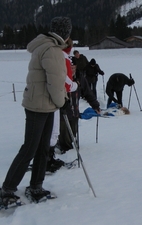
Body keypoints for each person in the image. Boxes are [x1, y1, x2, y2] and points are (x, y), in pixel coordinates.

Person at [0, 16, 72, 206]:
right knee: (30, 149)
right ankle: (6, 190)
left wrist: (58, 101)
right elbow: (55, 83)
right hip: (40, 106)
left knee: (42, 148)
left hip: (43, 104)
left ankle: (36, 186)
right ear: (65, 33)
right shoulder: (53, 50)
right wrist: (63, 102)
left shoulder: (43, 45)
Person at [55, 58, 101, 155]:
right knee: (64, 133)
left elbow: (88, 93)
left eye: (73, 67)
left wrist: (95, 105)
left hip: (74, 111)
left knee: (73, 131)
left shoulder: (80, 78)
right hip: (62, 111)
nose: (72, 70)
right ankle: (66, 151)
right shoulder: (60, 77)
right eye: (69, 67)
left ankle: (68, 145)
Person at [47, 38, 78, 173]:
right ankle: (47, 160)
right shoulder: (63, 59)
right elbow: (66, 81)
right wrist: (75, 85)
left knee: (52, 131)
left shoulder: (55, 55)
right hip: (56, 98)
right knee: (53, 131)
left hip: (52, 97)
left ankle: (48, 158)